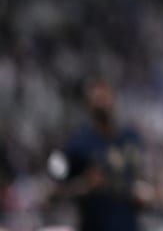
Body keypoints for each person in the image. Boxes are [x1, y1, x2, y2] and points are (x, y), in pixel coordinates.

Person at [46, 78, 154, 231]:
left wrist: (146, 195)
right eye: (97, 99)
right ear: (88, 105)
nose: (102, 103)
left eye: (105, 97)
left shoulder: (132, 138)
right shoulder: (77, 143)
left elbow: (143, 181)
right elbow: (52, 192)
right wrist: (84, 185)